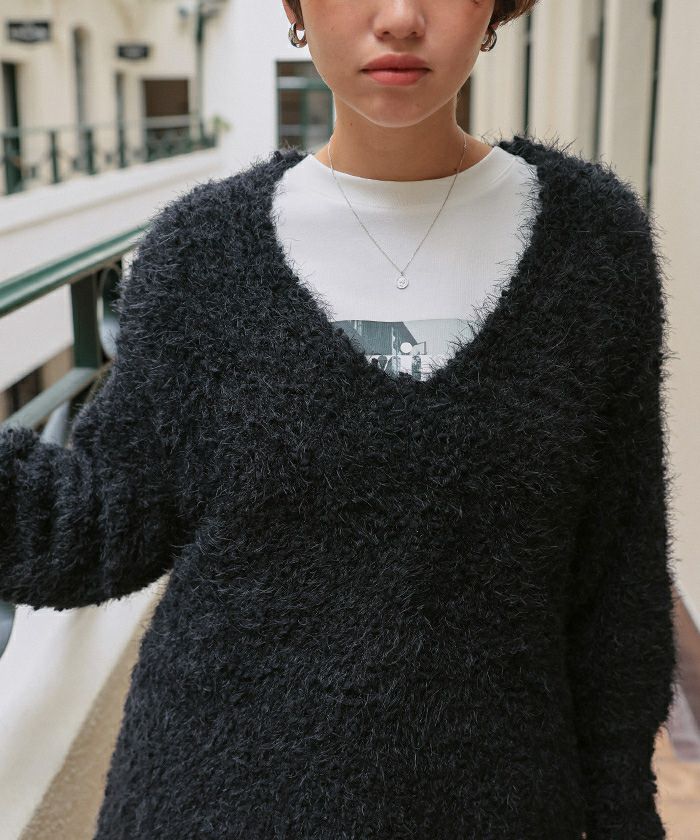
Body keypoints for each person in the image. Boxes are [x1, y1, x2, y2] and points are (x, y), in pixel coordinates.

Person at [0, 1, 678, 838]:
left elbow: (618, 574)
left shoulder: (593, 242)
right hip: (212, 801)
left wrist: (623, 808)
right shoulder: (200, 251)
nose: (399, 18)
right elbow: (108, 520)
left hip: (497, 799)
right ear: (295, 7)